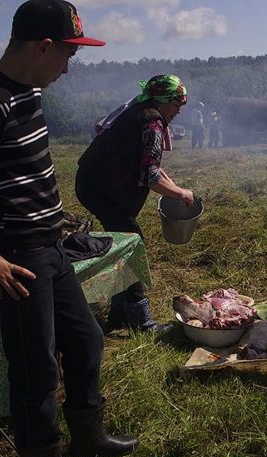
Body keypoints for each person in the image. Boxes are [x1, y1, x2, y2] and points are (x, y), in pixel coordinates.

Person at [0, 0, 137, 457]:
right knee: (36, 367)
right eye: (68, 54)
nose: (69, 66)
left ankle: (88, 435)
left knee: (87, 342)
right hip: (14, 257)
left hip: (51, 248)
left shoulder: (29, 91)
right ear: (42, 46)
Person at [75, 75, 195, 332]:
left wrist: (171, 184)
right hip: (99, 188)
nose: (178, 111)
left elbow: (148, 165)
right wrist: (181, 194)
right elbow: (149, 177)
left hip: (93, 182)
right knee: (133, 244)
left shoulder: (142, 112)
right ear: (164, 101)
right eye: (176, 105)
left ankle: (119, 313)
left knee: (124, 242)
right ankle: (141, 319)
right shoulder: (151, 122)